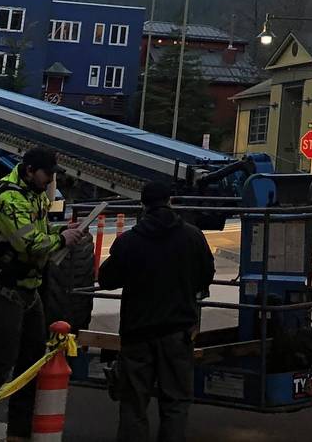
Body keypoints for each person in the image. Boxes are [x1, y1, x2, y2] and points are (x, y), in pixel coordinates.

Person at [0, 148, 82, 442]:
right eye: (47, 174)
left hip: (29, 290)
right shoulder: (9, 199)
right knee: (0, 365)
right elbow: (28, 243)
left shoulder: (36, 196)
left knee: (31, 363)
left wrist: (64, 234)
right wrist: (60, 239)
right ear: (29, 170)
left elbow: (40, 233)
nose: (50, 180)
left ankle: (19, 430)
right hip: (3, 291)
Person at [98, 181, 214, 442]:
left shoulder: (129, 241)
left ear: (143, 205)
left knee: (133, 403)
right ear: (170, 201)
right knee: (175, 402)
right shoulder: (192, 236)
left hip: (137, 332)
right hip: (177, 331)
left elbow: (106, 279)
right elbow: (206, 274)